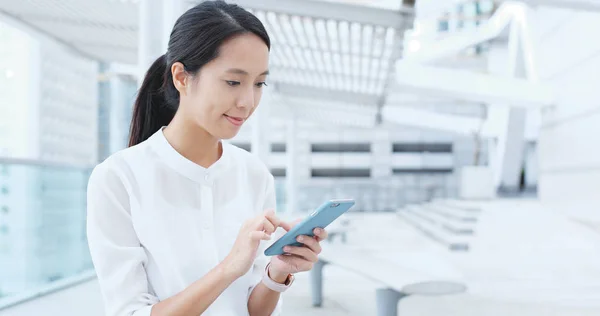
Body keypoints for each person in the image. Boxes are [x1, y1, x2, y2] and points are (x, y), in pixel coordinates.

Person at [86, 1, 328, 315]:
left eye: (259, 83)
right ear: (182, 77)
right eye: (232, 82)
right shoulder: (118, 178)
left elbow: (253, 311)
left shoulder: (254, 175)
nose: (247, 101)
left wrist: (277, 271)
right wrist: (229, 267)